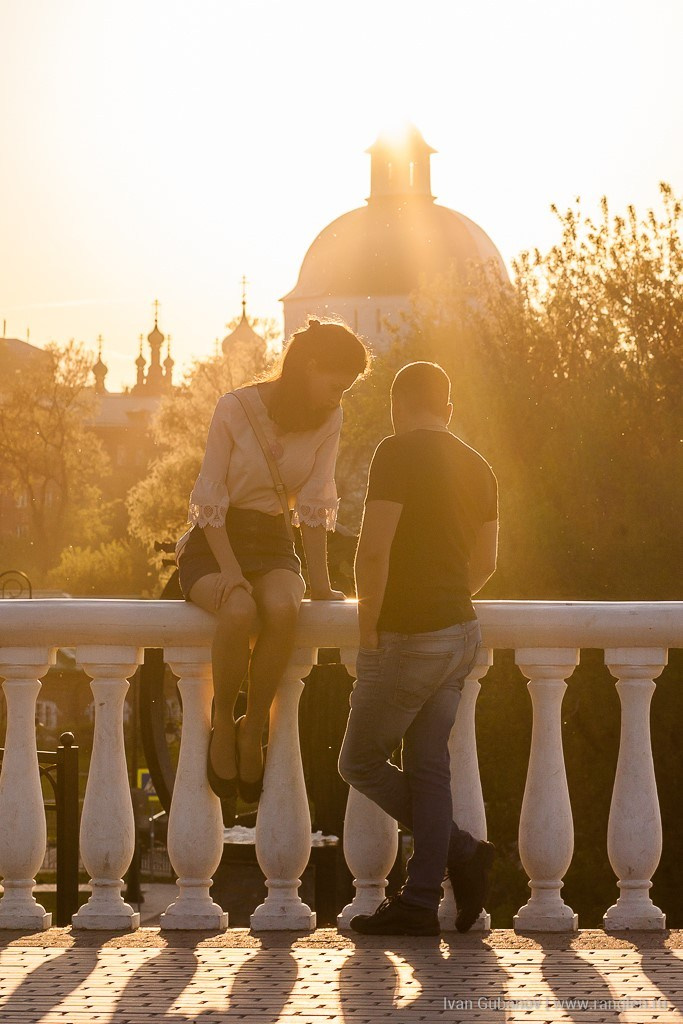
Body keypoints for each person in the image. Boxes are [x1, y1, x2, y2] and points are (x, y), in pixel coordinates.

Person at [177, 318, 369, 806]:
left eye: (346, 386)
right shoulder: (235, 409)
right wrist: (232, 574)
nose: (339, 394)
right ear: (308, 367)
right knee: (239, 611)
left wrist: (323, 584)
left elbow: (316, 504)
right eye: (335, 381)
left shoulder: (331, 417)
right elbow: (209, 502)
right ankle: (224, 722)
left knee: (287, 610)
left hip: (273, 541)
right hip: (214, 542)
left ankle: (253, 724)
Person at [338, 361, 498, 935]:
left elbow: (373, 552)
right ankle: (422, 897)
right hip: (461, 635)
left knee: (358, 761)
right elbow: (485, 565)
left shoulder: (396, 452)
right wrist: (447, 597)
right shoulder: (480, 468)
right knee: (429, 767)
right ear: (448, 409)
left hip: (409, 636)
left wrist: (368, 632)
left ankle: (458, 852)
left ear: (397, 405)